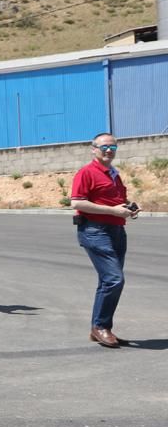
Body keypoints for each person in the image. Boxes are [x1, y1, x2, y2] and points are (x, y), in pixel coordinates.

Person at [70, 133, 139, 348]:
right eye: (104, 147)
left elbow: (116, 200)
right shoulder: (86, 172)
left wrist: (129, 207)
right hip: (95, 231)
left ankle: (100, 327)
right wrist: (113, 211)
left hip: (117, 230)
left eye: (113, 147)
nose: (109, 151)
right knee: (114, 279)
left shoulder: (113, 173)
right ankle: (100, 327)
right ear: (93, 149)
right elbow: (77, 203)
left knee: (107, 281)